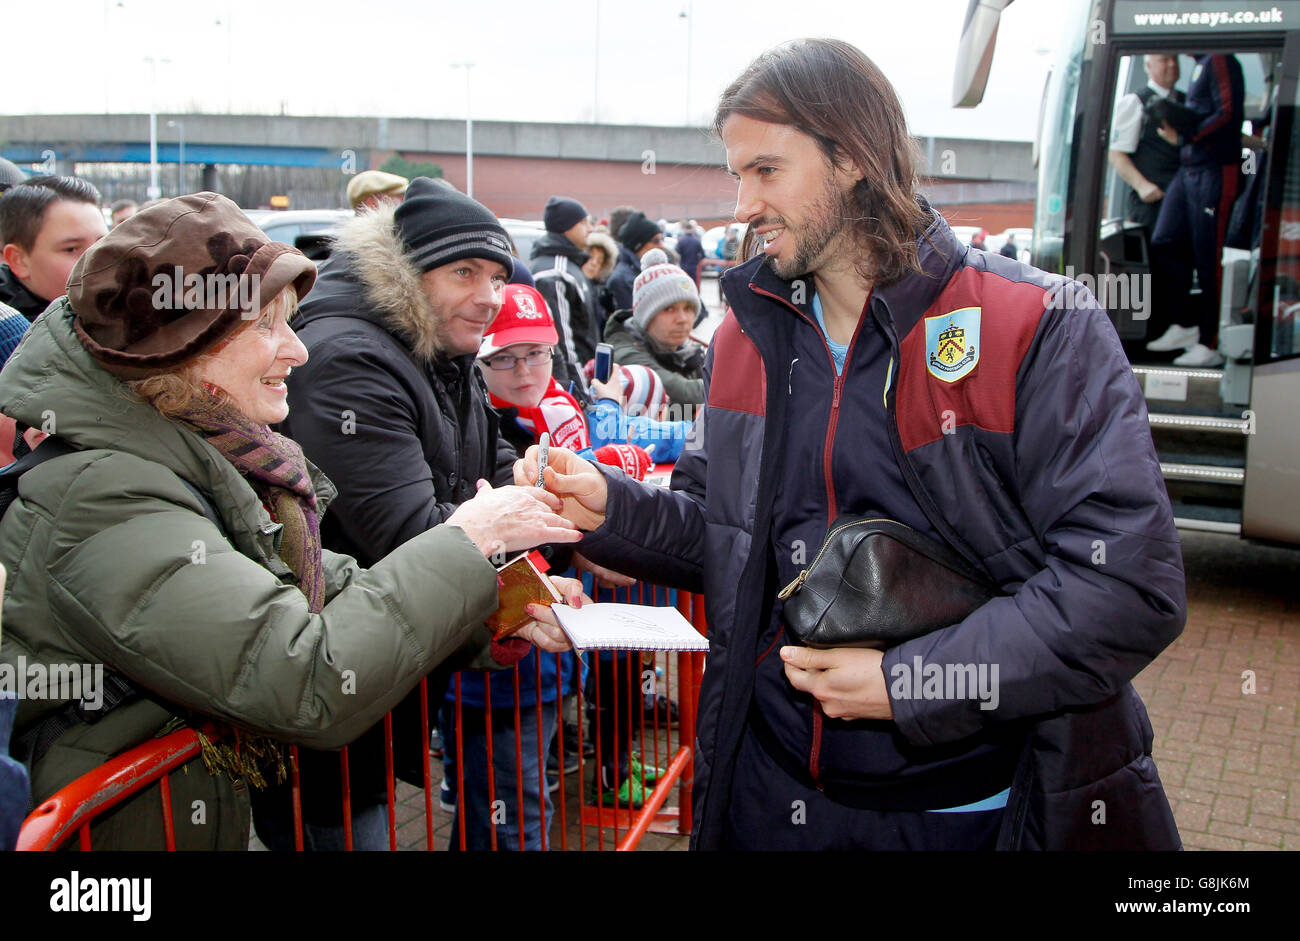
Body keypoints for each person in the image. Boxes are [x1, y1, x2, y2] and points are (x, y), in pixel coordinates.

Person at [520, 38, 1186, 851]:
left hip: (961, 811)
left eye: (766, 171)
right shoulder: (744, 341)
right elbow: (725, 535)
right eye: (736, 174)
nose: (741, 203)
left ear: (855, 158)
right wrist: (611, 509)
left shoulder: (1034, 325)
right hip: (770, 794)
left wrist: (912, 685)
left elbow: (1124, 587)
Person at [0, 193, 581, 850]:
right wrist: (470, 539)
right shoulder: (102, 492)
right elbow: (302, 674)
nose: (297, 351)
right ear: (180, 345)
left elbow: (334, 584)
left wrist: (499, 609)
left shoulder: (210, 459)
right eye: (266, 327)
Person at [277, 176, 584, 849]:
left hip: (383, 670)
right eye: (463, 271)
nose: (488, 296)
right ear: (405, 275)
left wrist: (535, 508)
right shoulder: (349, 356)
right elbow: (410, 533)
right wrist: (527, 544)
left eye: (498, 275)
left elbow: (493, 463)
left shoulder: (436, 347)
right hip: (330, 679)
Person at [1145, 53, 1245, 367]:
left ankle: (1210, 340)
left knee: (1208, 258)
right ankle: (1186, 323)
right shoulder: (1199, 66)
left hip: (1214, 167)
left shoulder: (1218, 59)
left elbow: (1228, 113)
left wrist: (1187, 131)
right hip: (1190, 167)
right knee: (1165, 241)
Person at [604, 249, 705, 408]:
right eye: (669, 309)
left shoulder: (688, 351)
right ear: (646, 316)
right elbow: (683, 393)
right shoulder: (626, 354)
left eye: (688, 308)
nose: (683, 319)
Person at [0, 176, 107, 322]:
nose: (98, 260)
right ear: (18, 260)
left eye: (102, 244)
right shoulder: (9, 336)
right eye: (72, 249)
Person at [1108, 54, 1184, 233]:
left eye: (1175, 60)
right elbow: (1116, 153)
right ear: (1149, 67)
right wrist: (1143, 186)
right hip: (1152, 205)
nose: (1172, 64)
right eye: (1164, 60)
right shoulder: (1134, 102)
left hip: (1183, 200)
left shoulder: (1187, 100)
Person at [531, 196, 598, 394]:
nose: (590, 228)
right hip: (574, 386)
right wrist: (582, 394)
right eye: (583, 222)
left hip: (584, 374)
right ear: (567, 227)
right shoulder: (555, 273)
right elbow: (563, 345)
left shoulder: (569, 265)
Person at [604, 210, 664, 318]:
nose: (661, 246)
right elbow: (635, 323)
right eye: (656, 241)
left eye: (662, 240)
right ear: (638, 245)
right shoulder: (622, 279)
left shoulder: (655, 268)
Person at [676, 220, 706, 287]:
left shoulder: (681, 241)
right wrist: (697, 260)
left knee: (685, 285)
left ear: (685, 229)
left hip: (683, 267)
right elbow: (703, 255)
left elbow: (677, 254)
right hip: (694, 267)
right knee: (694, 285)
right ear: (691, 229)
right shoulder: (697, 241)